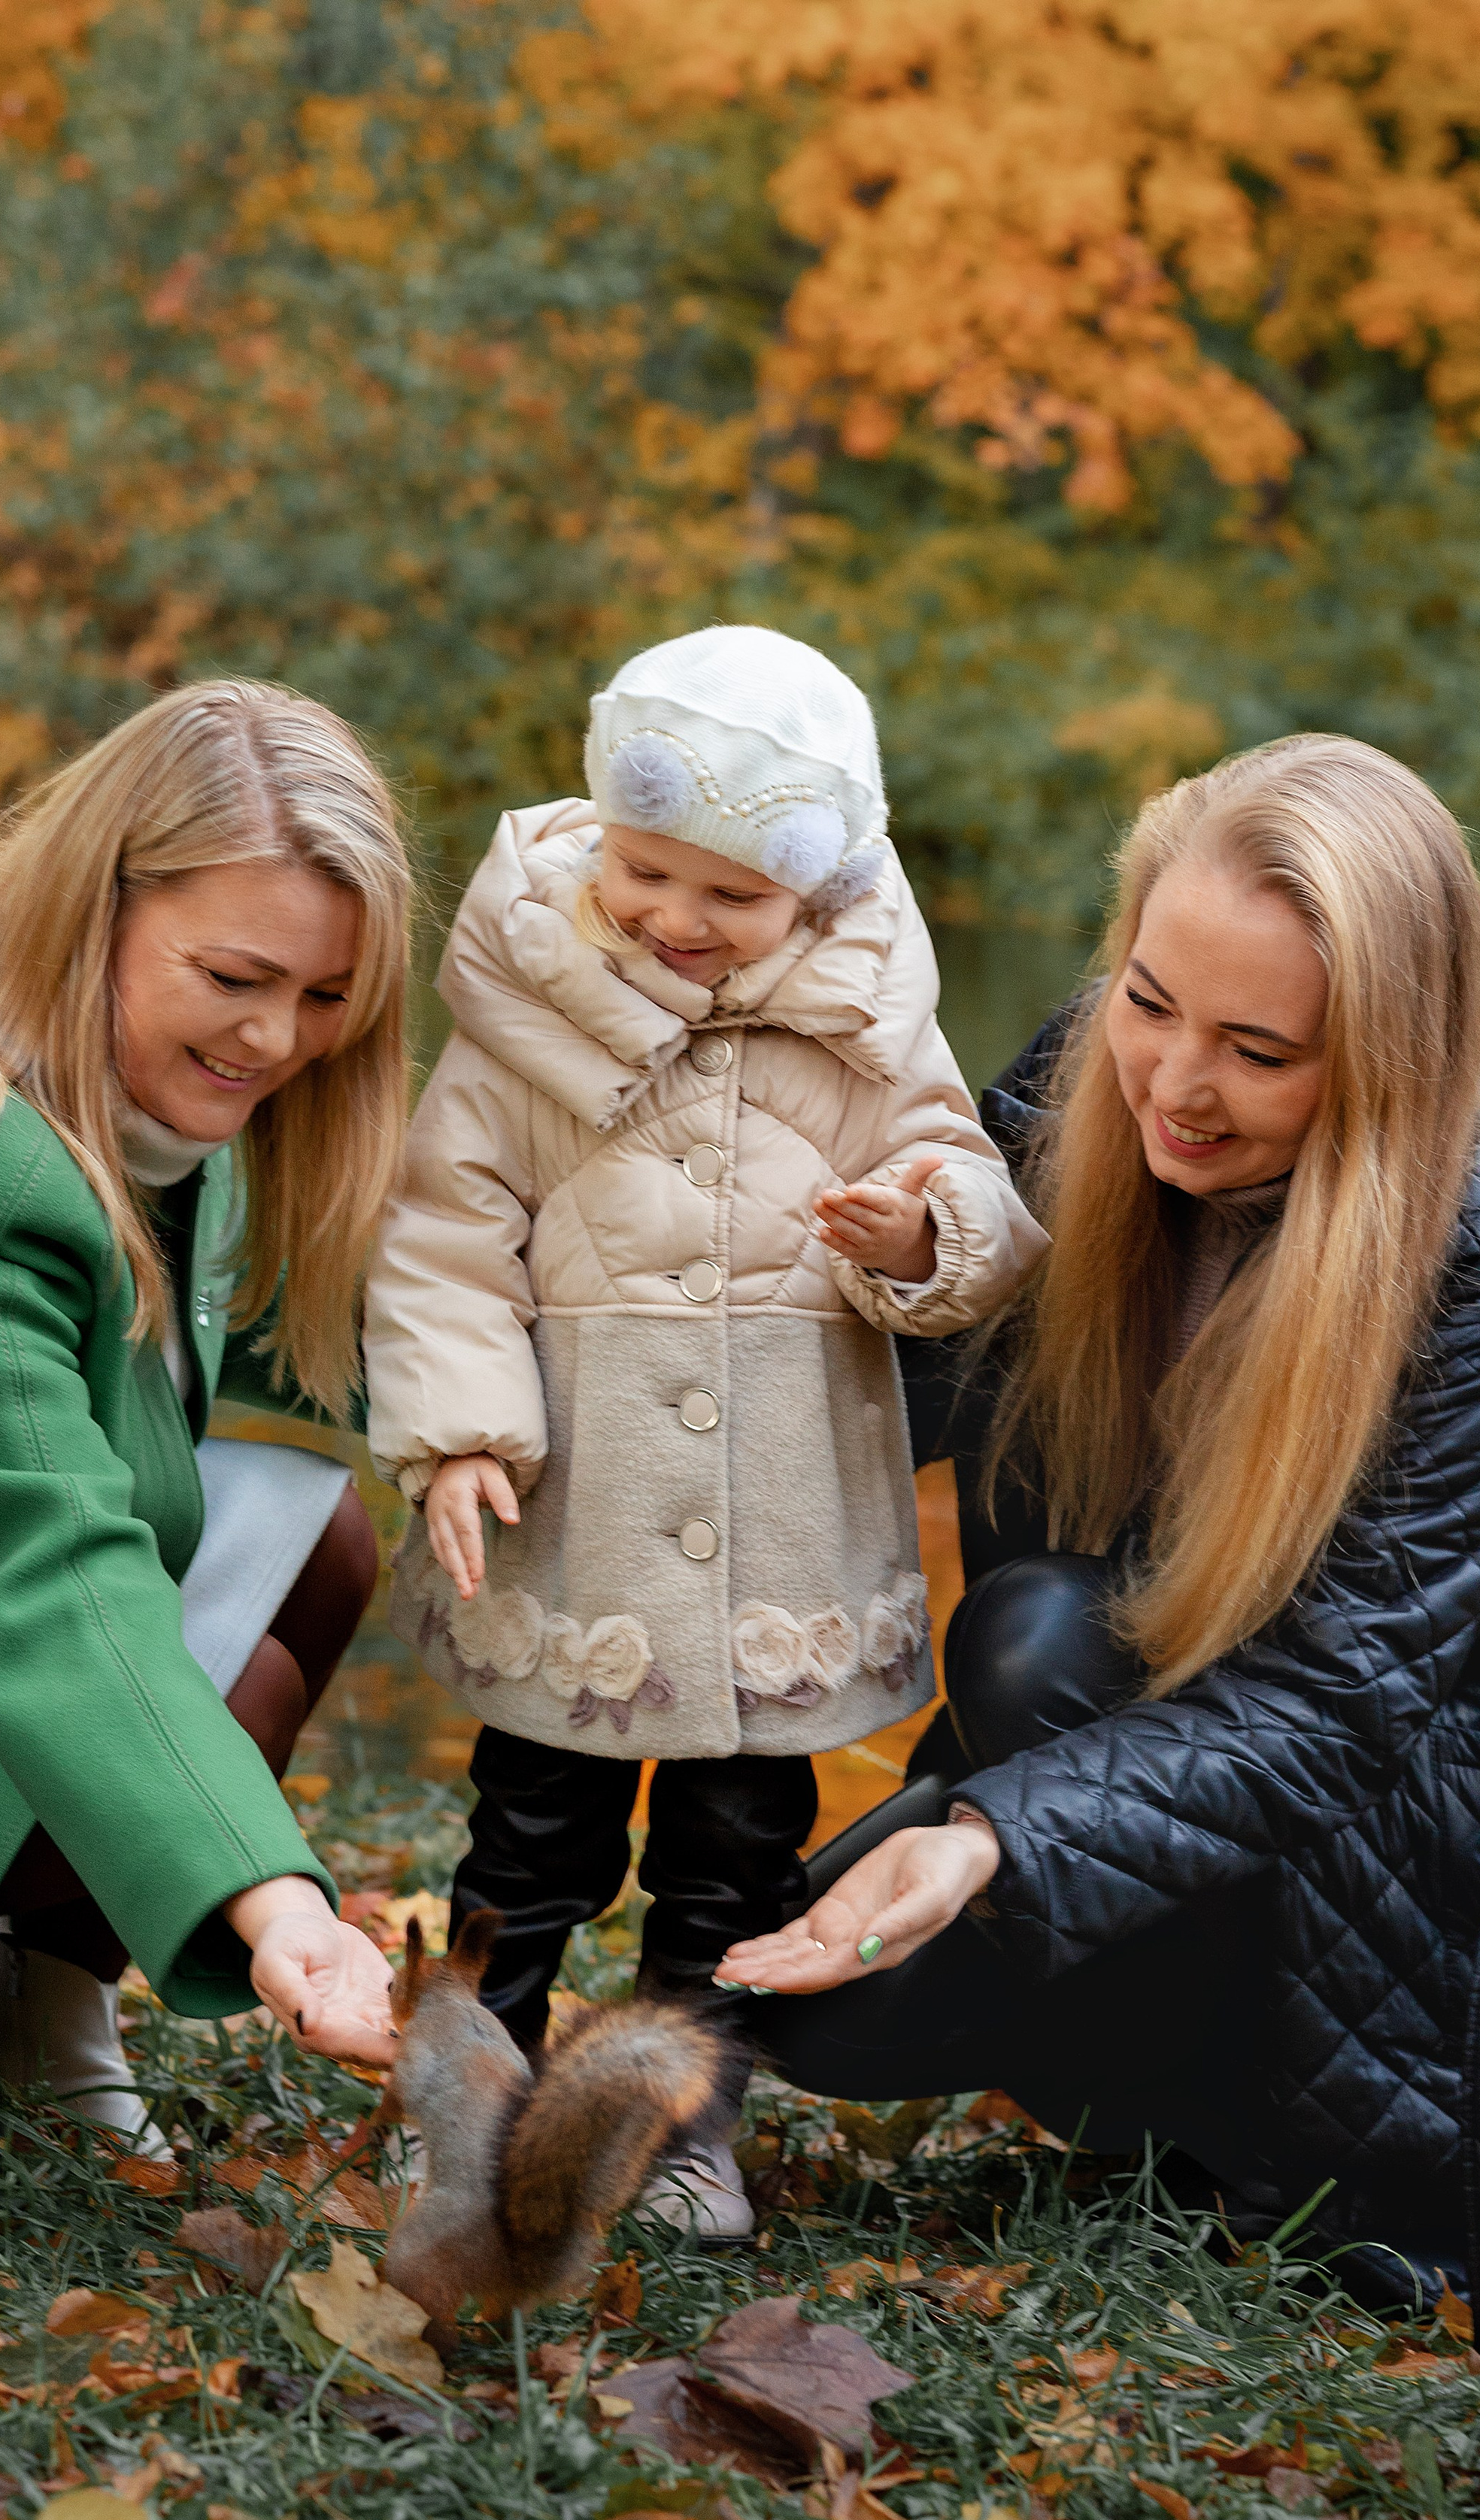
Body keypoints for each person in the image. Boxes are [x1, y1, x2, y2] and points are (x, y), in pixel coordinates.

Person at [719, 733, 1480, 2349]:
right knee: (813, 2010)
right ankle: (1175, 2088)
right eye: (1147, 999)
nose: (1172, 1085)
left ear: (1390, 1052)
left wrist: (993, 1841)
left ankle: (1239, 2126)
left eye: (1259, 1050)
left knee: (1027, 1669)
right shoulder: (1091, 1082)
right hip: (1208, 1698)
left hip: (1468, 1805)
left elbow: (1336, 1704)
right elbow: (913, 1395)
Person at [362, 624, 1047, 2237]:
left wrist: (918, 1235)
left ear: (813, 894)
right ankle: (463, 2089)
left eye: (726, 898)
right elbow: (443, 1229)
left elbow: (978, 1197)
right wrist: (461, 1427)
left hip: (784, 1504)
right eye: (644, 873)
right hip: (581, 1503)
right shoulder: (525, 1006)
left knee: (732, 1847)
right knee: (531, 1832)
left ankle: (676, 2114)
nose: (673, 919)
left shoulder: (870, 1027)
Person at [0, 680, 408, 2143]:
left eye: (326, 997)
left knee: (320, 1541)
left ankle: (28, 2006)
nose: (275, 1040)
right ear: (95, 906)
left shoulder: (171, 1107)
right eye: (234, 977)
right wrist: (276, 1901)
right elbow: (36, 1562)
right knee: (217, 1632)